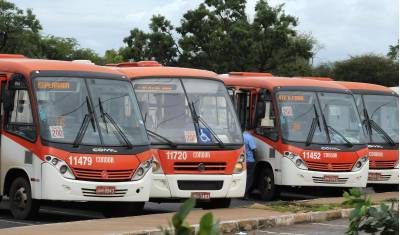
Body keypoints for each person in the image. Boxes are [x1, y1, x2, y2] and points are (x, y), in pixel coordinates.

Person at [243, 127, 256, 200]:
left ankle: (241, 193)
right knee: (249, 178)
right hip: (250, 160)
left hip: (242, 160)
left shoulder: (241, 136)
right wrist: (256, 158)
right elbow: (254, 149)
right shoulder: (249, 138)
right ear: (250, 130)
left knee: (243, 177)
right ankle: (246, 194)